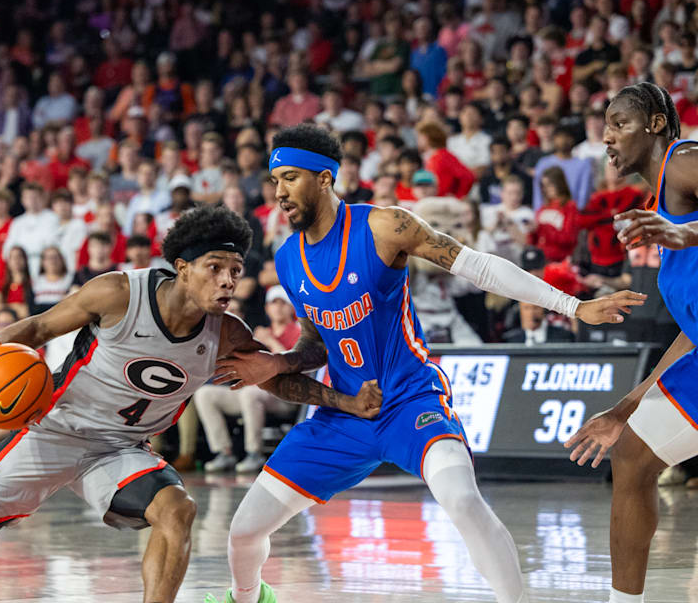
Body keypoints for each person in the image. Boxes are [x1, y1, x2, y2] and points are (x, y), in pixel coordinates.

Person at [207, 124, 643, 603]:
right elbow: (318, 342)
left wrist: (573, 306)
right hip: (344, 413)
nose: (279, 192)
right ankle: (246, 599)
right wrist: (280, 362)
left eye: (290, 178)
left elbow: (479, 266)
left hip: (410, 399)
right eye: (275, 181)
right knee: (243, 531)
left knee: (462, 499)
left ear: (325, 178)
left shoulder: (384, 226)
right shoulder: (289, 258)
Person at [0, 205, 370, 603]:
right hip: (54, 431)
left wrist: (342, 399)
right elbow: (38, 328)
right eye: (215, 267)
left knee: (178, 510)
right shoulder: (119, 294)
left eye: (235, 270)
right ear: (182, 268)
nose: (227, 281)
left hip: (120, 450)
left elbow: (279, 376)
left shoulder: (227, 335)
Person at [564, 82, 698, 603]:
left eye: (620, 123)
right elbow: (691, 334)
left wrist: (685, 234)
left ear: (657, 124)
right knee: (632, 455)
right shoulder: (661, 200)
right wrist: (625, 407)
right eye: (605, 127)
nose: (608, 137)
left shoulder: (684, 161)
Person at [197, 285, 299, 474]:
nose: (278, 307)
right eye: (273, 303)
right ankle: (224, 452)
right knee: (205, 394)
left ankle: (254, 453)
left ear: (291, 307)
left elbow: (293, 367)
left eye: (282, 303)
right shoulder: (259, 332)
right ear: (267, 308)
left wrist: (271, 342)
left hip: (284, 396)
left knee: (250, 393)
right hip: (253, 392)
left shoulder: (298, 332)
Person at [503, 302, 577, 344]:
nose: (531, 313)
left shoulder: (564, 336)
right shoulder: (510, 339)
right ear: (520, 311)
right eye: (526, 308)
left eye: (535, 308)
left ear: (544, 310)